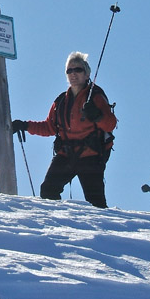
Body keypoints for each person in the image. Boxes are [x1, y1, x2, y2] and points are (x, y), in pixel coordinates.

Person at [11, 52, 117, 208]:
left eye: (78, 70)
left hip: (91, 155)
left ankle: (105, 230)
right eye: (69, 70)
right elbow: (49, 127)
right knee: (48, 190)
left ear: (87, 73)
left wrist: (97, 116)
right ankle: (58, 225)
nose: (73, 74)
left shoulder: (95, 96)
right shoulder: (61, 101)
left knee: (96, 201)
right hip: (66, 154)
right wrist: (25, 125)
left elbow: (110, 124)